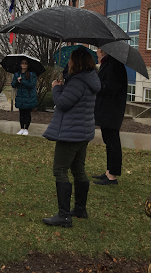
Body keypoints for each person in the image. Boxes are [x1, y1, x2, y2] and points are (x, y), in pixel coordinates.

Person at [42, 47, 101, 228]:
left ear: (77, 62)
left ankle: (64, 215)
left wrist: (57, 89)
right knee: (78, 169)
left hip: (70, 132)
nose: (68, 62)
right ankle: (80, 209)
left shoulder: (77, 82)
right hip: (82, 132)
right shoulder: (89, 79)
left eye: (71, 60)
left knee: (60, 170)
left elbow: (62, 103)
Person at [92, 48, 128, 186]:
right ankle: (109, 171)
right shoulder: (109, 63)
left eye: (98, 49)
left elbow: (111, 87)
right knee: (109, 141)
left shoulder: (115, 65)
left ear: (104, 51)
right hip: (107, 110)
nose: (96, 51)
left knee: (113, 142)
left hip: (112, 111)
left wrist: (97, 84)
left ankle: (112, 176)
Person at [11, 59, 38, 135]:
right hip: (20, 96)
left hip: (29, 97)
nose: (24, 64)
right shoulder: (17, 74)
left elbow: (32, 85)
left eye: (25, 63)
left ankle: (26, 128)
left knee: (27, 113)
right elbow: (13, 85)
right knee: (21, 113)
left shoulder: (32, 74)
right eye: (22, 63)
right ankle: (22, 128)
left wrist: (23, 81)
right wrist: (17, 81)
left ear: (28, 65)